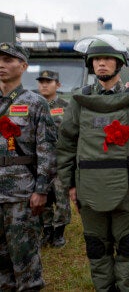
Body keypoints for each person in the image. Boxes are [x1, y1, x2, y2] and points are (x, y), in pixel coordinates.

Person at [57, 35, 129, 291]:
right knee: (96, 246)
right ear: (90, 65)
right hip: (89, 187)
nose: (101, 64)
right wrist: (70, 183)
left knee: (127, 245)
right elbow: (67, 143)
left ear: (118, 64)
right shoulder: (79, 101)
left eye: (107, 59)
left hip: (127, 188)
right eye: (96, 60)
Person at [0, 42, 56, 291]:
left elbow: (47, 151)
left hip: (21, 193)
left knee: (25, 261)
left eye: (8, 60)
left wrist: (41, 190)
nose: (1, 64)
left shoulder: (35, 103)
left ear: (23, 66)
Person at [37, 69, 71, 248]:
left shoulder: (66, 106)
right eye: (41, 81)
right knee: (43, 198)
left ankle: (59, 233)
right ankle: (47, 230)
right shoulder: (33, 105)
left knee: (61, 198)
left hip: (60, 161)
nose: (44, 84)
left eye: (48, 82)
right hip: (39, 162)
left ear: (57, 85)